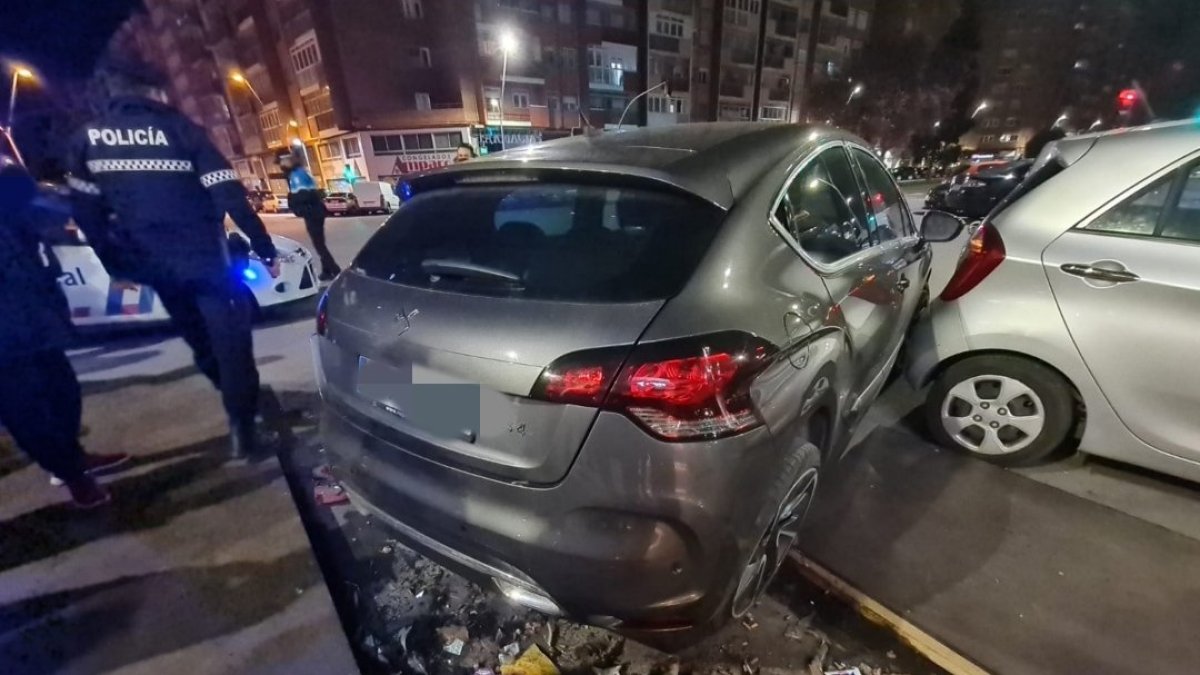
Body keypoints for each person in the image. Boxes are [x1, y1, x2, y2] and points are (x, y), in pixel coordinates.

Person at [66, 56, 281, 459]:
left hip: (157, 267)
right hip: (207, 263)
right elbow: (229, 195)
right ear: (155, 92)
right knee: (232, 346)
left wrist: (116, 265)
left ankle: (239, 406)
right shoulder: (181, 131)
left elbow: (87, 216)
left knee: (200, 342)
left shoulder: (87, 140)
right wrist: (264, 248)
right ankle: (244, 429)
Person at [0, 157, 130, 507]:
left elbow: (40, 205)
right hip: (6, 335)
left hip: (32, 311)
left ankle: (73, 458)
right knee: (27, 409)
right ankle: (74, 477)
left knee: (63, 391)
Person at [279, 151, 340, 281]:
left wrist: (292, 200)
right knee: (320, 243)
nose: (281, 164)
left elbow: (303, 195)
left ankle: (335, 271)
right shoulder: (299, 172)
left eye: (282, 161)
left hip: (312, 212)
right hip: (315, 211)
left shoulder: (296, 175)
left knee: (319, 245)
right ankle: (327, 271)